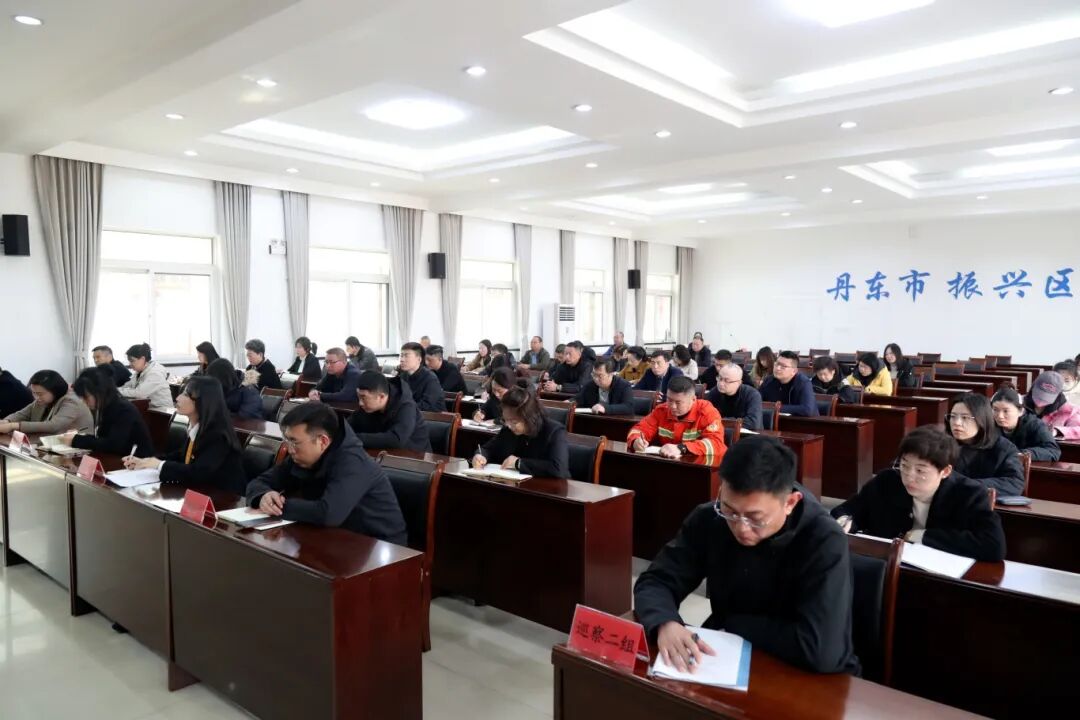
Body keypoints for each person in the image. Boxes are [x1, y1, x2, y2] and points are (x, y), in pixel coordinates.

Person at [634, 435, 859, 675]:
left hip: (810, 678)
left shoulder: (824, 540)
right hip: (726, 657)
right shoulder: (710, 518)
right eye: (729, 510)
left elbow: (821, 650)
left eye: (755, 519)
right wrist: (665, 623)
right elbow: (656, 580)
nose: (741, 528)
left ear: (790, 503)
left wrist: (733, 623)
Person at [832, 426, 1005, 562]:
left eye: (920, 470)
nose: (909, 476)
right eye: (904, 465)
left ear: (945, 471)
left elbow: (994, 545)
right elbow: (847, 510)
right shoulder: (887, 481)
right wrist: (844, 520)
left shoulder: (969, 494)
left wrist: (922, 536)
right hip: (883, 567)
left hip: (936, 577)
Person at [246, 403, 407, 543]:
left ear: (322, 441)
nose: (289, 449)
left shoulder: (353, 462)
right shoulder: (301, 456)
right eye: (287, 440)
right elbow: (259, 482)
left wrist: (278, 506)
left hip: (378, 546)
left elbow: (329, 513)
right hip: (334, 538)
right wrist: (263, 496)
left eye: (294, 441)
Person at [123, 376, 246, 493]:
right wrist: (147, 462)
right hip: (201, 492)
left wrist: (159, 465)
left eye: (186, 394)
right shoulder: (197, 427)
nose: (177, 398)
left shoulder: (217, 435)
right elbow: (182, 456)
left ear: (203, 402)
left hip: (223, 498)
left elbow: (198, 472)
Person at [471, 387, 569, 477]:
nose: (508, 425)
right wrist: (480, 455)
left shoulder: (554, 431)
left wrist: (518, 463)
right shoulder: (508, 429)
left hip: (547, 487)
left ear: (529, 418)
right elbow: (488, 448)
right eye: (505, 420)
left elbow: (559, 469)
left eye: (514, 422)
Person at [627, 376, 726, 462]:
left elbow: (716, 444)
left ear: (693, 399)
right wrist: (636, 440)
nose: (672, 406)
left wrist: (682, 448)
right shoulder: (661, 410)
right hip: (669, 463)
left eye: (678, 402)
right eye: (669, 400)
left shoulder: (707, 413)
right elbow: (640, 429)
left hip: (699, 466)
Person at [945, 393, 1025, 496]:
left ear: (982, 419)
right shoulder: (942, 444)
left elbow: (1014, 484)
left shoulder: (1003, 448)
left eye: (965, 417)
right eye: (953, 416)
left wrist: (967, 485)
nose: (957, 423)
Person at [67, 366, 154, 457]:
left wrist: (76, 440)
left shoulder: (124, 409)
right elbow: (103, 439)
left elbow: (113, 445)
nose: (84, 402)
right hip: (118, 458)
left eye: (86, 397)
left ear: (100, 391)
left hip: (137, 460)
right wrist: (80, 437)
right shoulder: (107, 406)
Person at [349, 371, 430, 452]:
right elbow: (352, 422)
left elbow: (396, 439)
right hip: (383, 452)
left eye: (363, 398)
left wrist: (354, 438)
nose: (360, 403)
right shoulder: (367, 406)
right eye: (358, 397)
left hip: (414, 455)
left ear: (381, 396)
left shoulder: (406, 406)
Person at [0, 370, 93, 435]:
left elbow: (53, 425)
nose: (36, 397)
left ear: (55, 390)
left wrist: (13, 426)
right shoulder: (42, 400)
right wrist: (6, 421)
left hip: (77, 448)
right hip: (52, 444)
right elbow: (22, 414)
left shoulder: (72, 401)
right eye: (34, 393)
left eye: (40, 394)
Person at [991, 385, 1060, 461]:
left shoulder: (1035, 425)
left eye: (1006, 411)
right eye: (995, 410)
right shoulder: (989, 424)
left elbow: (1053, 451)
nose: (1000, 416)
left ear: (1020, 411)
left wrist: (1021, 454)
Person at [759, 351, 818, 417]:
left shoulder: (803, 383)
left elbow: (807, 410)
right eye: (777, 364)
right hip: (773, 420)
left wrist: (775, 408)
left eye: (783, 366)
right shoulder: (768, 380)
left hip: (801, 422)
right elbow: (756, 401)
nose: (778, 368)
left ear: (794, 371)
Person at [706, 364, 763, 431]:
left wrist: (721, 421)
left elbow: (753, 422)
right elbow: (705, 417)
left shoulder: (752, 395)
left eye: (727, 381)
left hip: (748, 434)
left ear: (739, 383)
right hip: (720, 432)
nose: (721, 383)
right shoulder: (714, 392)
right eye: (720, 378)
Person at [1026, 370, 1080, 440]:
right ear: (1033, 388)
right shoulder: (1019, 403)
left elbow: (1078, 430)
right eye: (1039, 394)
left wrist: (1056, 431)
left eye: (1047, 396)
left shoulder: (1069, 410)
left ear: (1058, 395)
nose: (1041, 399)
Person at [118, 343, 174, 411]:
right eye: (129, 361)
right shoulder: (140, 371)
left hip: (162, 412)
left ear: (142, 359)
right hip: (149, 408)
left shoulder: (155, 373)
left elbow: (139, 393)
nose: (130, 364)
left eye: (132, 361)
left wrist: (116, 391)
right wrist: (115, 390)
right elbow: (128, 385)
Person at [398, 342, 445, 412]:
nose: (402, 359)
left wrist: (402, 408)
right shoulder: (403, 376)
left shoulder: (430, 378)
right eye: (401, 356)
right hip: (411, 413)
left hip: (433, 417)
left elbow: (426, 405)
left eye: (406, 356)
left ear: (419, 359)